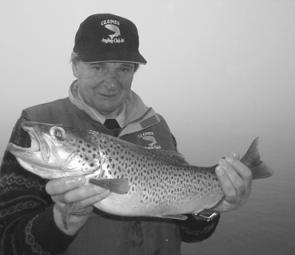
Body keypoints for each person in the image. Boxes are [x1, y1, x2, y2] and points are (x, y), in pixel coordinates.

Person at [0, 13, 253, 255]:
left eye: (123, 68)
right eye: (98, 67)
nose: (111, 82)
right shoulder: (34, 125)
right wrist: (58, 224)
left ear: (134, 71)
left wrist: (212, 208)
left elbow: (189, 230)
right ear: (75, 65)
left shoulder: (157, 125)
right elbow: (8, 243)